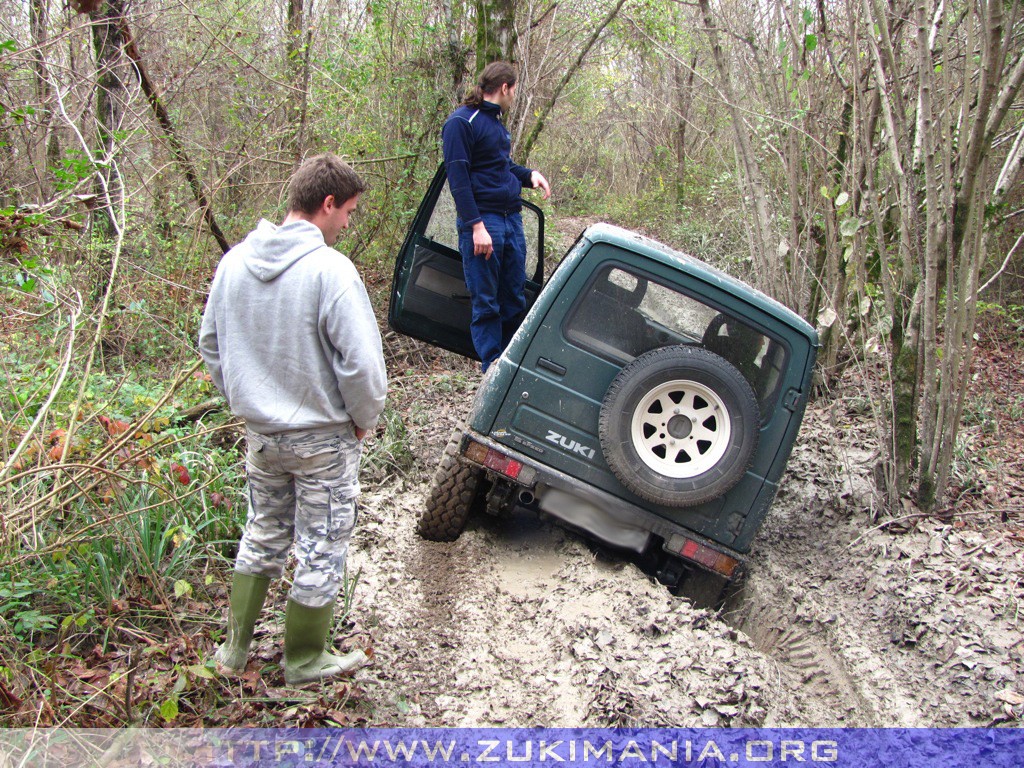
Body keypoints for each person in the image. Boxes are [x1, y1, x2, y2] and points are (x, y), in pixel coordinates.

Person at [198, 154, 387, 686]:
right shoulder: (331, 270)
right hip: (324, 438)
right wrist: (362, 418)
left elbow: (211, 344)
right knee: (322, 544)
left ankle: (233, 652)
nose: (348, 222)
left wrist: (246, 395)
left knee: (262, 532)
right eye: (348, 211)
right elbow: (363, 366)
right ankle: (304, 660)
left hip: (261, 437)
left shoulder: (234, 262)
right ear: (326, 205)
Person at [442, 61, 551, 371]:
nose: (515, 96)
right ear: (505, 88)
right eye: (514, 90)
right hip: (484, 222)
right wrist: (476, 226)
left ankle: (511, 364)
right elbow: (459, 180)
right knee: (486, 302)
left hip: (511, 219)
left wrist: (530, 175)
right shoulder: (461, 123)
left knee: (514, 295)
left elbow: (500, 168)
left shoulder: (495, 125)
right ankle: (493, 367)